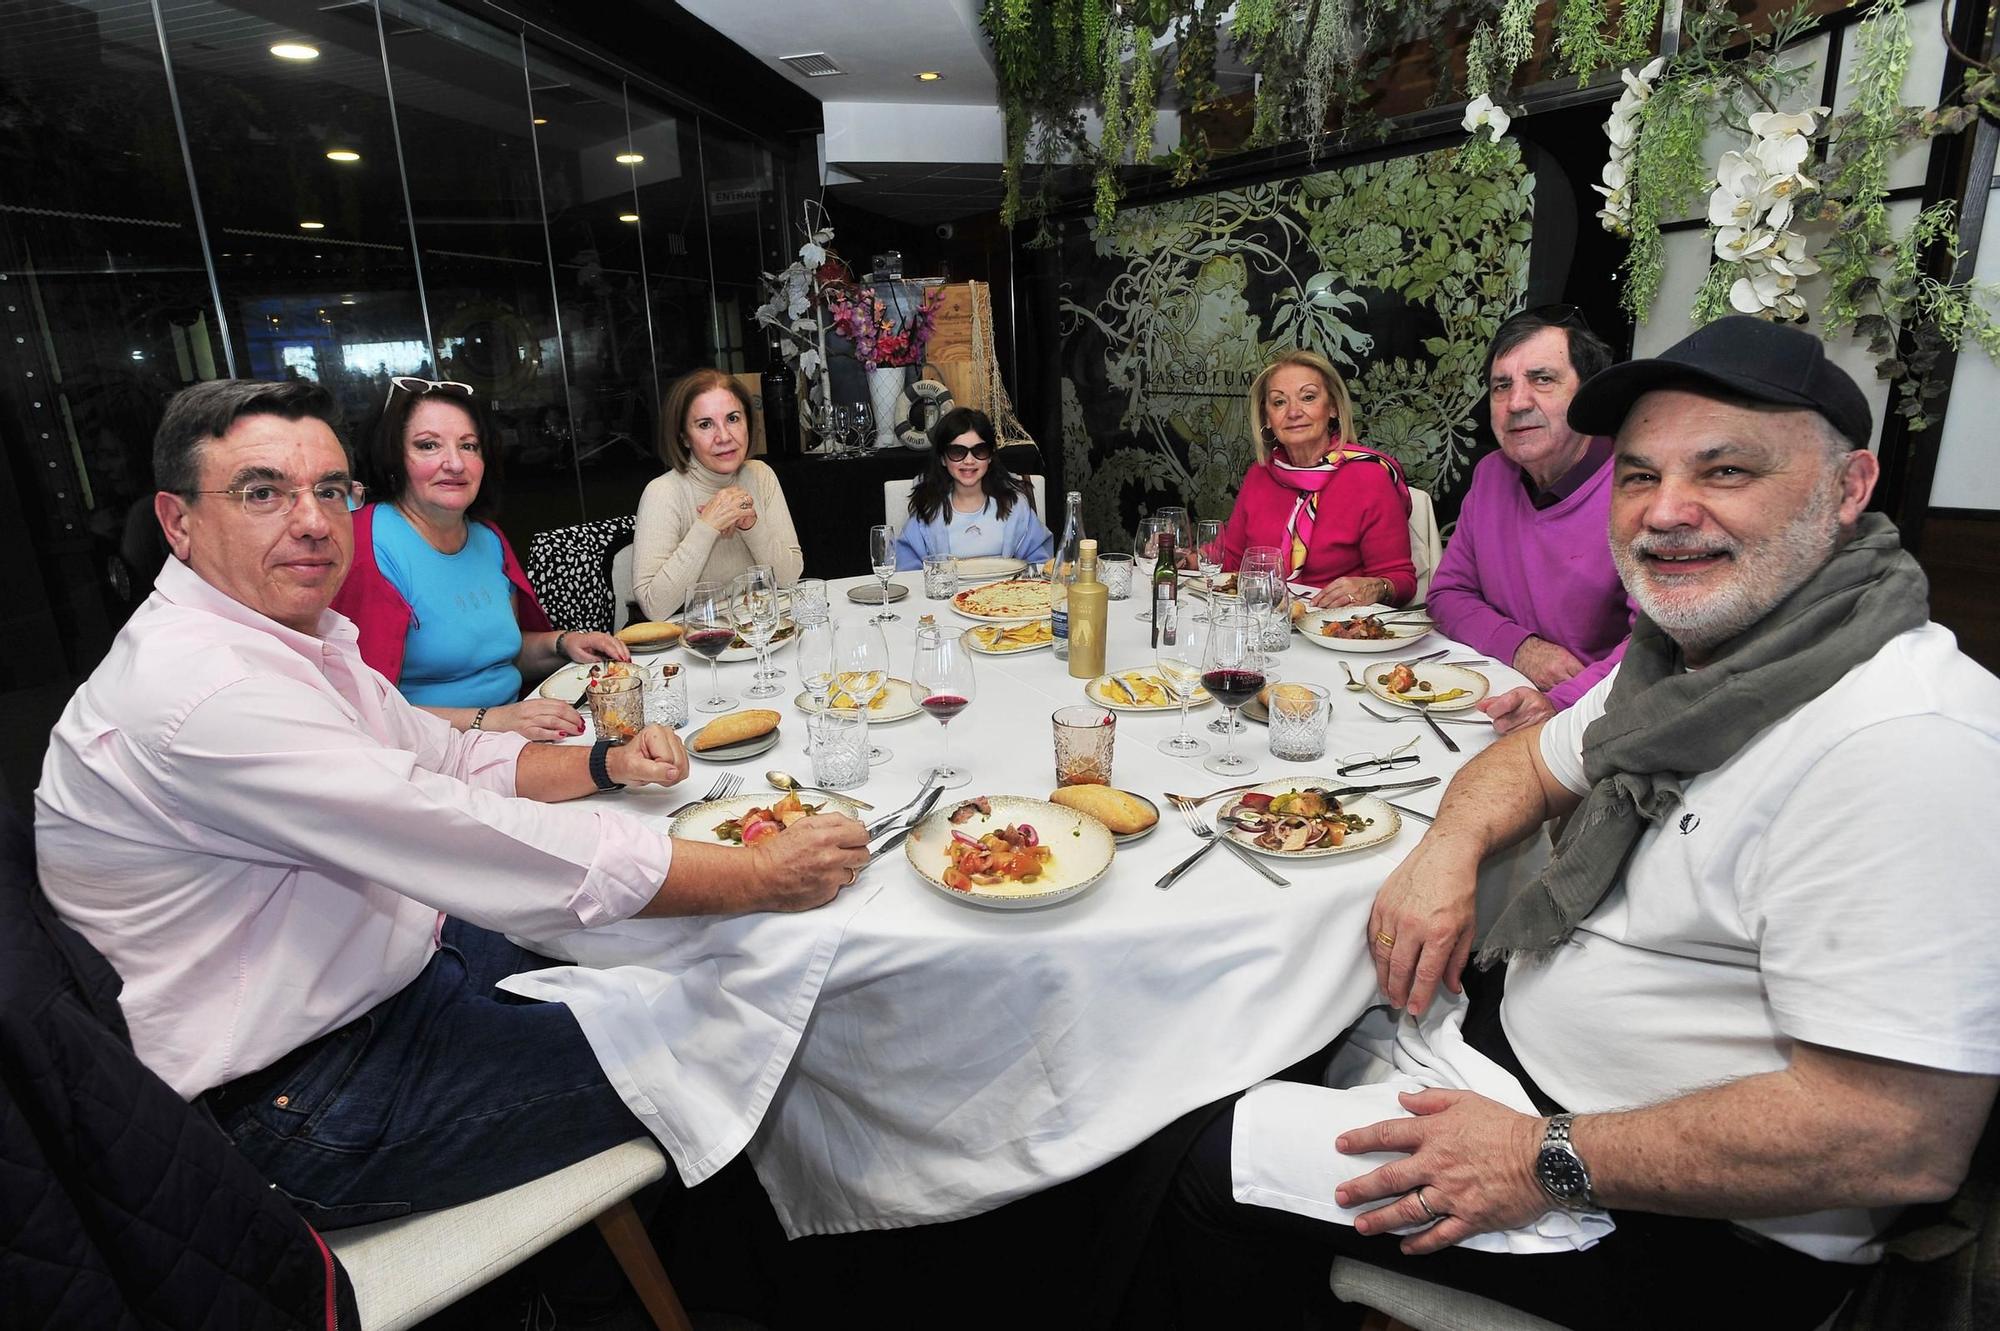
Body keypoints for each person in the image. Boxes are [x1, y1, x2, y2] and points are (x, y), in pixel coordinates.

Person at [1165, 317, 2000, 1329]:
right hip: (1517, 1063)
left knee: (1187, 1156)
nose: (1666, 512)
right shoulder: (1695, 661)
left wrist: (1541, 1158)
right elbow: (1524, 758)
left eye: (1724, 470)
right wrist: (1448, 845)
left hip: (1677, 1217)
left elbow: (1897, 1134)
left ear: (1848, 486)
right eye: (1639, 475)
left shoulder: (1904, 736)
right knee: (1243, 1037)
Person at [34, 378, 871, 1235]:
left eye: (330, 489)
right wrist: (754, 872)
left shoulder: (294, 637)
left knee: (702, 958)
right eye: (262, 492)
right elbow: (465, 834)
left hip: (395, 967)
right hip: (298, 1097)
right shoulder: (204, 691)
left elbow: (452, 753)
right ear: (178, 521)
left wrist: (607, 758)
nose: (315, 521)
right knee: (733, 1021)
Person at [332, 376, 628, 742]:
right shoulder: (368, 544)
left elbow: (505, 655)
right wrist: (492, 720)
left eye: (469, 446)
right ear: (394, 457)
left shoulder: (488, 539)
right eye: (428, 446)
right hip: (433, 754)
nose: (455, 463)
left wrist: (564, 643)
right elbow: (365, 709)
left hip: (518, 731)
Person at [1429, 308, 1635, 734]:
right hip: (1497, 699)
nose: (1517, 403)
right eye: (1501, 386)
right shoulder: (1491, 475)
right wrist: (1523, 648)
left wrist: (1560, 703)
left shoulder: (1639, 489)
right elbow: (1448, 594)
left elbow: (1655, 648)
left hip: (1595, 722)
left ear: (1589, 395)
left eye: (1543, 380)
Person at [1218, 348, 1415, 608]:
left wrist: (1376, 587)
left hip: (1335, 632)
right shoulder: (1260, 474)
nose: (1293, 412)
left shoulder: (1369, 477)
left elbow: (1402, 580)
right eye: (1279, 402)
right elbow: (1232, 565)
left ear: (1332, 407)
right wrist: (1187, 558)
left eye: (1308, 397)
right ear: (1267, 417)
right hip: (1264, 623)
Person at [633, 369, 804, 619]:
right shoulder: (662, 492)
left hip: (758, 631)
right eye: (705, 424)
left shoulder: (760, 475)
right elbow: (654, 608)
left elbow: (790, 578)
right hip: (697, 644)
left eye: (733, 419)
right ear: (684, 438)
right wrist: (707, 526)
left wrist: (751, 526)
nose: (724, 437)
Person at [892, 407, 1054, 570]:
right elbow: (907, 572)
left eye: (979, 451)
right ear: (942, 458)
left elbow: (1040, 563)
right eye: (957, 452)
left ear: (990, 456)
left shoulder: (1016, 505)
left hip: (1004, 591)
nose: (969, 461)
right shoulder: (927, 509)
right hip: (945, 594)